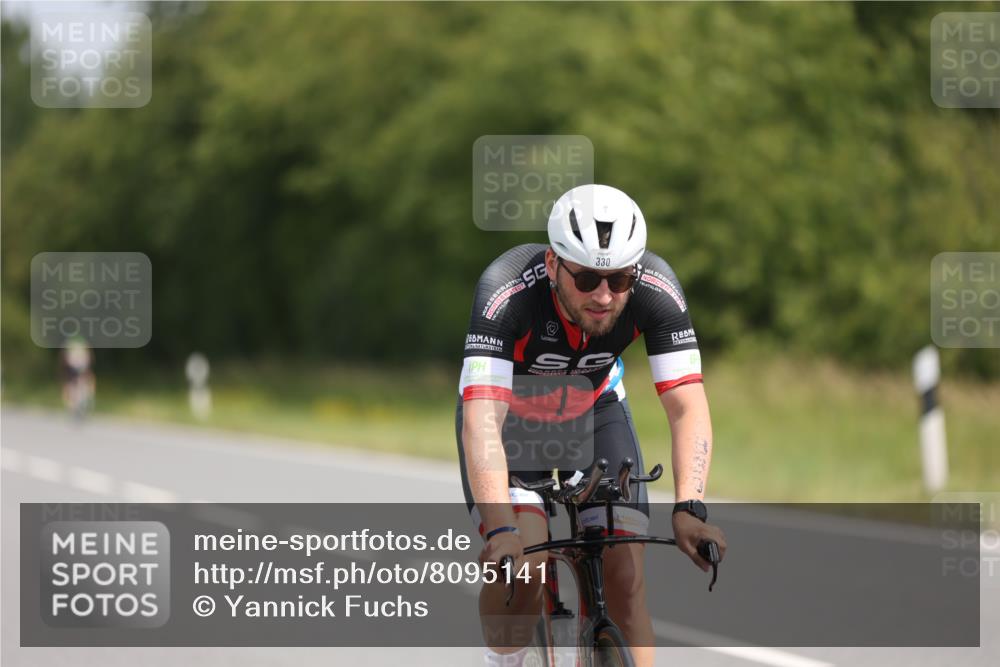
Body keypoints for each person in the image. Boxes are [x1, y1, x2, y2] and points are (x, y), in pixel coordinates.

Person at [456, 184, 727, 667]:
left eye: (619, 280)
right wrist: (502, 530)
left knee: (624, 579)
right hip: (512, 421)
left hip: (594, 408)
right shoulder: (506, 288)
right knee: (525, 563)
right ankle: (505, 659)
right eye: (586, 280)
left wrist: (690, 506)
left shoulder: (656, 287)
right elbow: (482, 419)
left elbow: (687, 406)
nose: (604, 296)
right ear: (553, 264)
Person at [60, 336, 95, 420]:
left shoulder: (70, 344)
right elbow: (89, 357)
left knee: (73, 386)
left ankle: (76, 406)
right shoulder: (82, 344)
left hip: (74, 368)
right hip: (78, 368)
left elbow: (64, 358)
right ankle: (80, 404)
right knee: (76, 386)